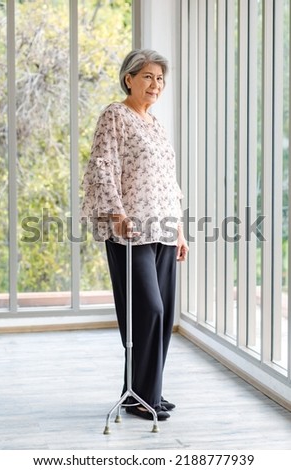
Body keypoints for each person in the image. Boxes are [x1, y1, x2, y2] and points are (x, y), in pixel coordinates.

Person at [81, 49, 188, 421]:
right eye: (148, 77)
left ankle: (146, 392)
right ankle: (141, 395)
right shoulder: (116, 115)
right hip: (129, 230)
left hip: (163, 230)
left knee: (165, 312)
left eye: (160, 78)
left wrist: (180, 230)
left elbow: (168, 182)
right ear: (129, 78)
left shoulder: (155, 125)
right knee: (148, 310)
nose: (155, 85)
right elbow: (102, 166)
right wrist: (116, 213)